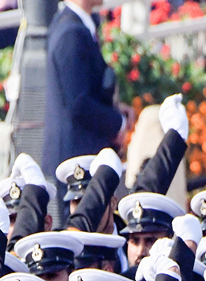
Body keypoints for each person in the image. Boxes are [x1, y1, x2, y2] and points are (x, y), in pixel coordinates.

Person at [42, 0, 128, 219]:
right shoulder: (71, 32)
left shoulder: (75, 25)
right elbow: (78, 104)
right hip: (76, 161)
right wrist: (118, 123)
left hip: (80, 155)